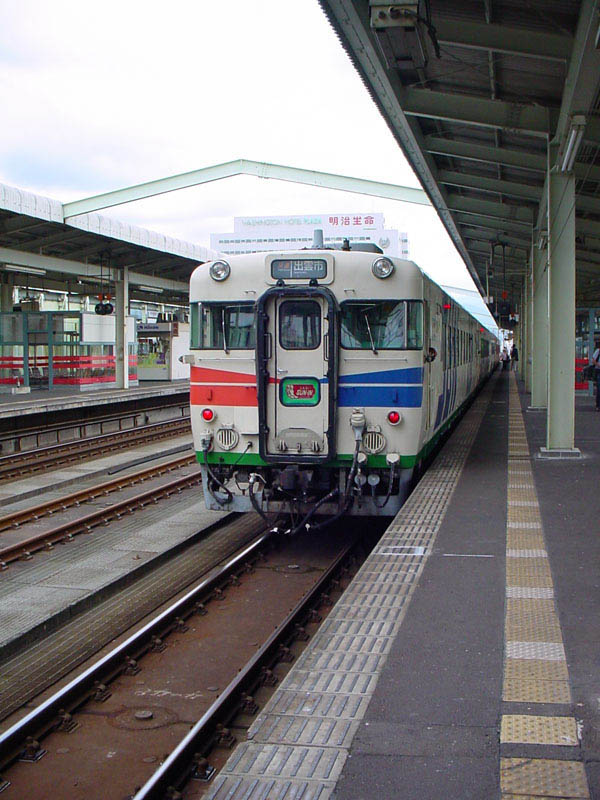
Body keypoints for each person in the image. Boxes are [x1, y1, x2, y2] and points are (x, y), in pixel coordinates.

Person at [592, 340, 600, 412]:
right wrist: (598, 364)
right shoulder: (598, 351)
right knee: (599, 389)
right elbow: (593, 360)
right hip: (599, 371)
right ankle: (598, 405)